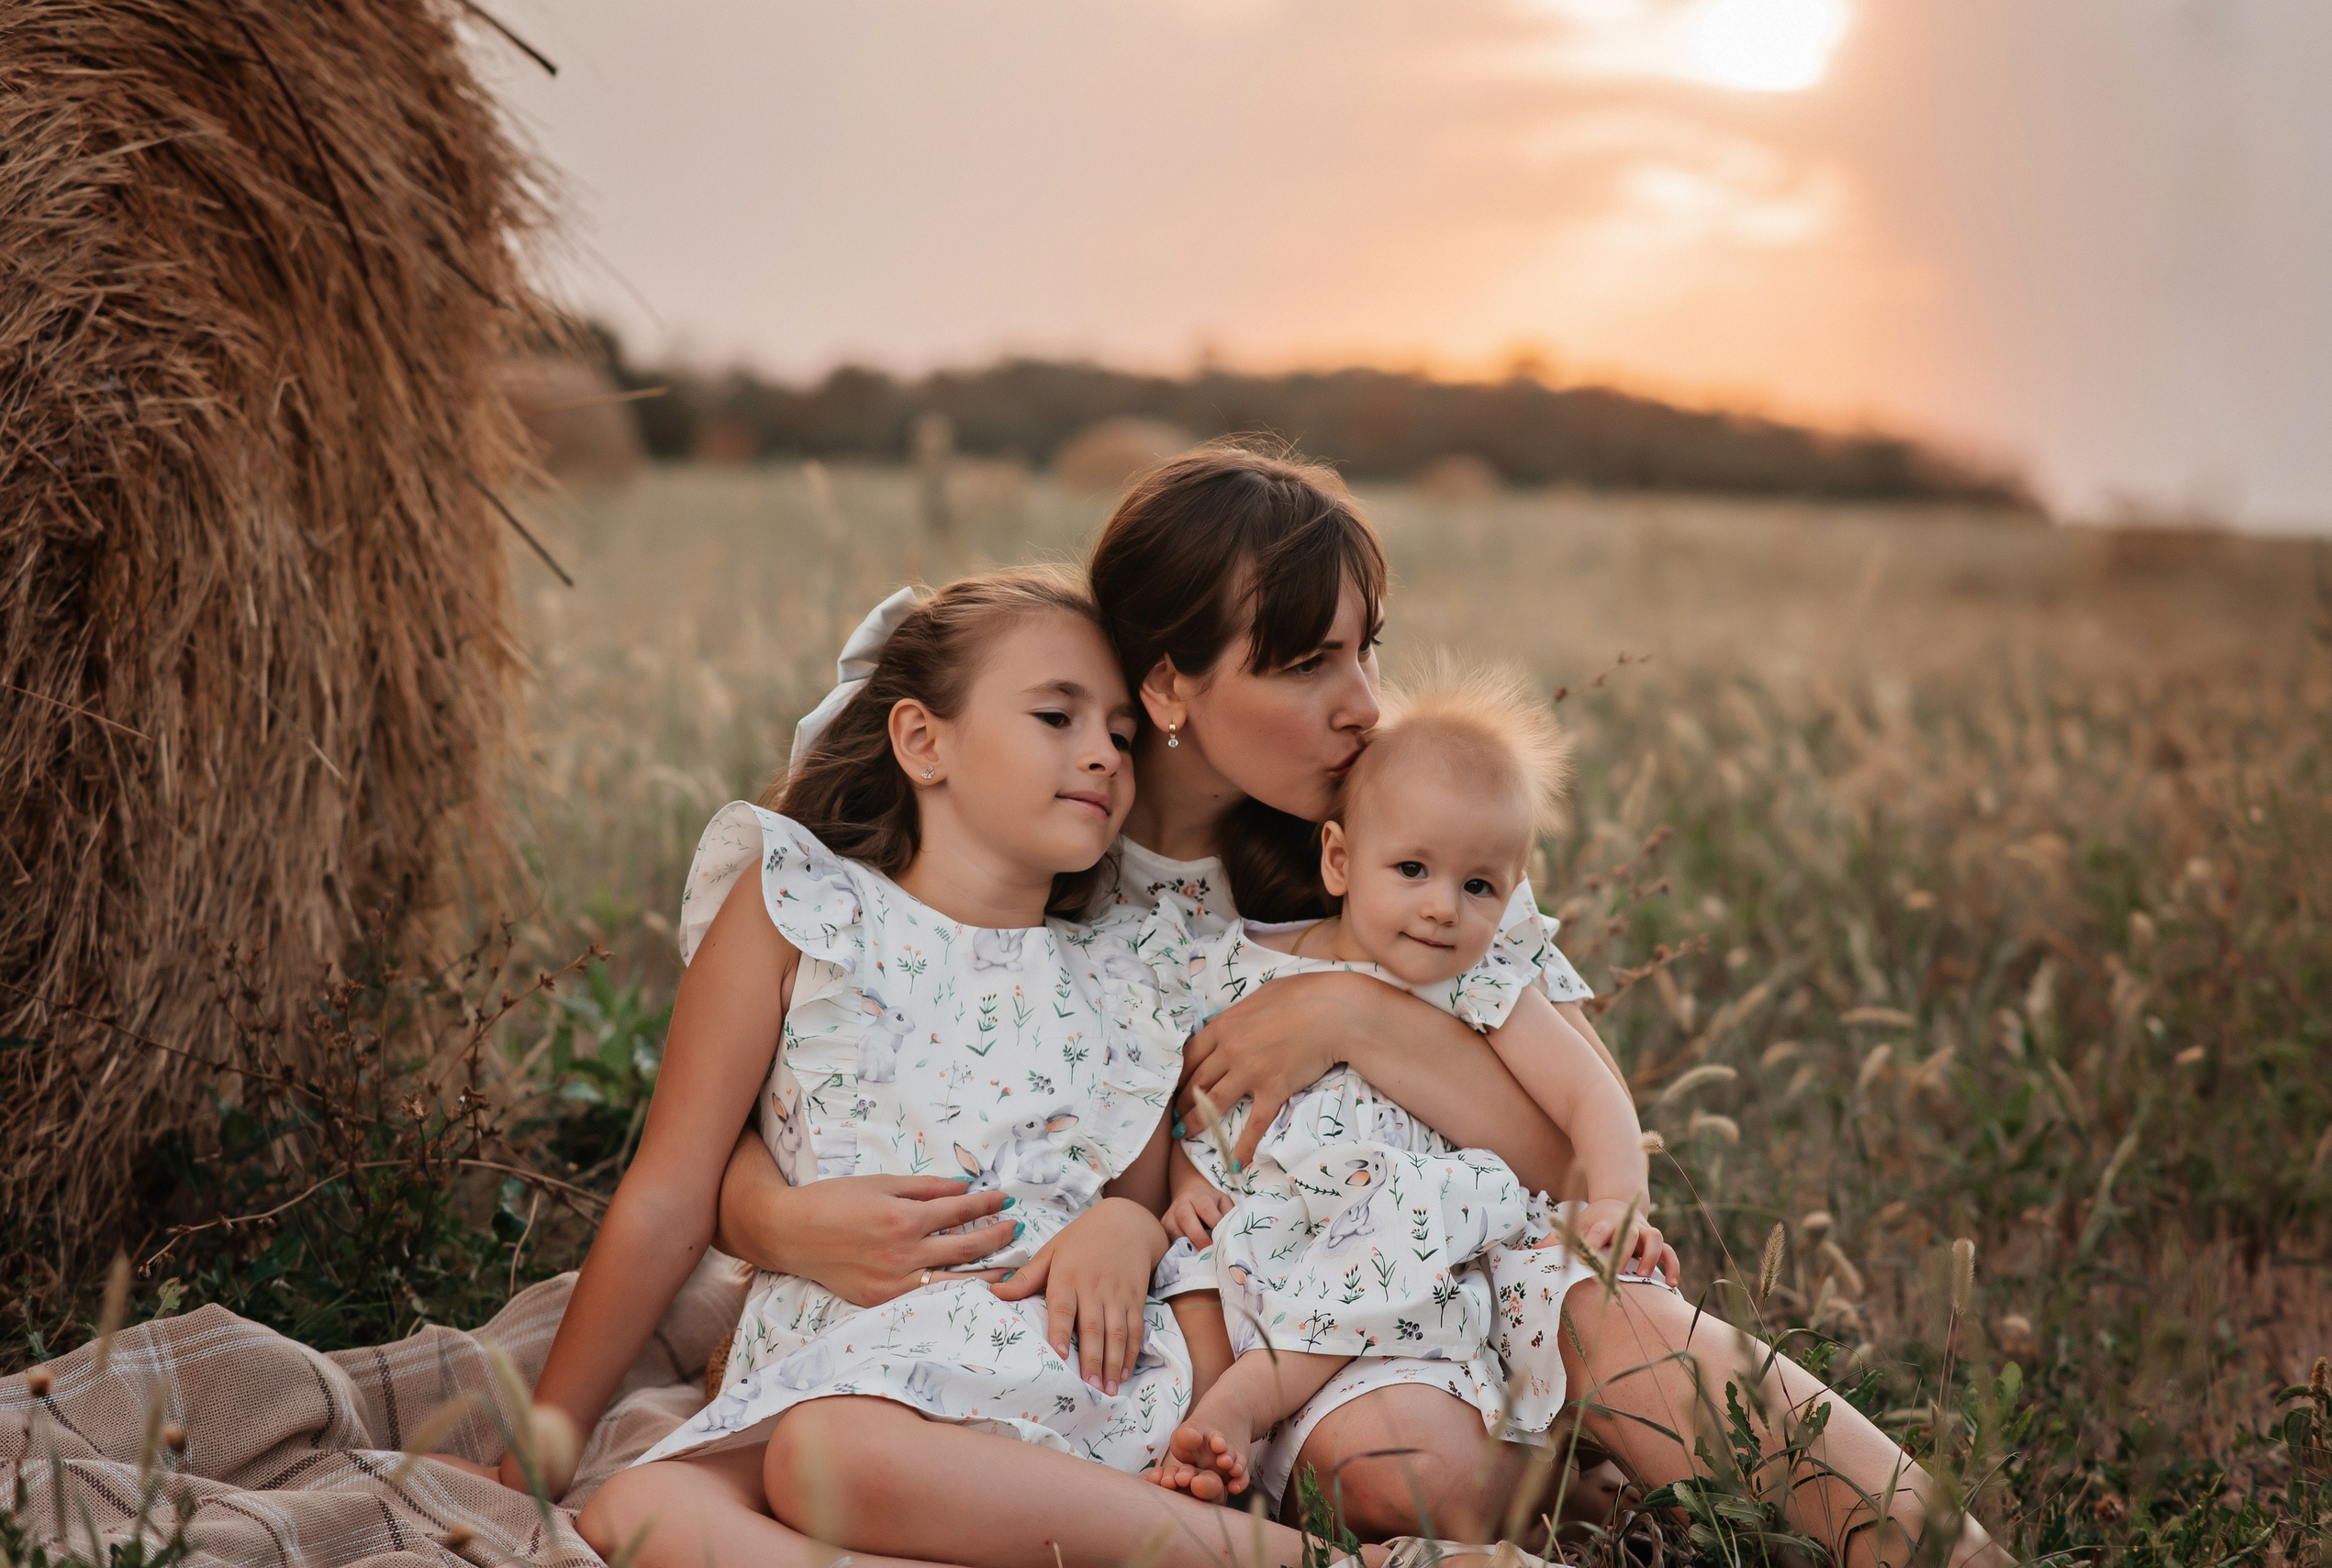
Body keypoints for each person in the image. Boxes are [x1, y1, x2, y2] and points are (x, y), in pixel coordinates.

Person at [715, 445, 2011, 1565]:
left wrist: (1359, 1019)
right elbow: (824, 1063)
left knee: (1609, 1310)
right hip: (1247, 1326)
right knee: (1398, 1474)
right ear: (1169, 692)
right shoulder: (1032, 848)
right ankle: (1545, 1497)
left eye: (1364, 649)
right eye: (1307, 663)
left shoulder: (1399, 840)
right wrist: (771, 1213)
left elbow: (1569, 1155)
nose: (1363, 703)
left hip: (1460, 1263)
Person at [560, 566, 1512, 1568]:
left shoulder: (1122, 964)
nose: (1101, 752)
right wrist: (545, 1433)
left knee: (827, 1454)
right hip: (826, 1350)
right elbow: (669, 1193)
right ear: (924, 740)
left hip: (1038, 1346)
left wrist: (1126, 1224)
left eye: (1119, 733)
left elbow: (1147, 1193)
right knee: (636, 1507)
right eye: (1057, 717)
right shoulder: (799, 904)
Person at [1146, 661, 1676, 1507]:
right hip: (1277, 1244)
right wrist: (1187, 1186)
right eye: (1413, 871)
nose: (1441, 909)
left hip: (1429, 1246)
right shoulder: (1246, 968)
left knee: (1402, 1216)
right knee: (1195, 1289)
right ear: (1340, 858)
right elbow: (1202, 1100)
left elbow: (1592, 1098)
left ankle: (1249, 1405)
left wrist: (1618, 1201)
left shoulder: (1480, 981)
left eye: (1478, 887)